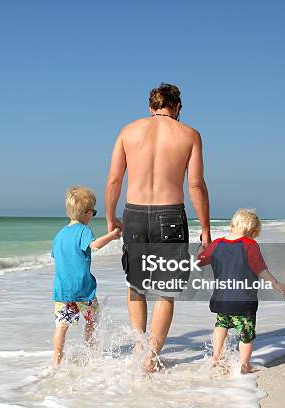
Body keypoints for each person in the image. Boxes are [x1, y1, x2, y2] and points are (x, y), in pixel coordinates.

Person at [104, 83, 211, 371]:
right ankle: (150, 358)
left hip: (135, 215)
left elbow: (114, 180)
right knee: (166, 291)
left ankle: (140, 347)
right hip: (171, 216)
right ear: (177, 107)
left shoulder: (128, 131)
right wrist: (206, 230)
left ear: (151, 108)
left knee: (136, 286)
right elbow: (196, 185)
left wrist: (111, 217)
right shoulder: (189, 134)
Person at [197, 209, 285, 373]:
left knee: (221, 325)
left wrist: (201, 248)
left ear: (232, 227)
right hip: (243, 301)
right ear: (253, 233)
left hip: (222, 299)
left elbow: (199, 261)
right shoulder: (250, 245)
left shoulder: (217, 244)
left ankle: (216, 358)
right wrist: (275, 283)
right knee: (246, 334)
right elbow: (260, 269)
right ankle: (245, 365)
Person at [52, 186, 121, 365]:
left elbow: (57, 257)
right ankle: (91, 353)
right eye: (93, 212)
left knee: (61, 326)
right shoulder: (84, 230)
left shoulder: (59, 236)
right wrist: (112, 235)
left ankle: (56, 361)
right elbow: (95, 246)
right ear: (87, 212)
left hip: (62, 290)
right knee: (92, 320)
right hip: (83, 290)